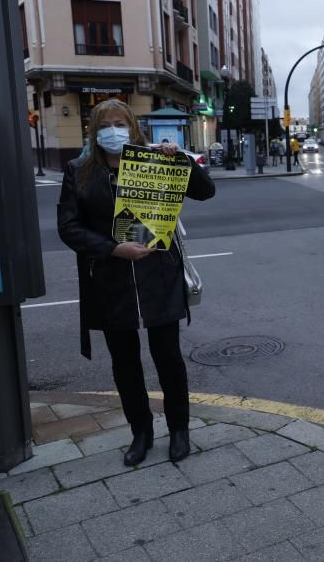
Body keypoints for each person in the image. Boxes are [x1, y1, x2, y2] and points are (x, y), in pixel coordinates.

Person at [57, 99, 216, 467]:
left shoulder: (154, 160)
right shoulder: (79, 170)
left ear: (133, 126)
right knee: (125, 363)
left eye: (120, 123)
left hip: (158, 276)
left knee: (168, 358)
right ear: (95, 131)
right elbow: (69, 227)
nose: (114, 130)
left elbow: (205, 192)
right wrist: (113, 249)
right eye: (106, 124)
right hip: (111, 281)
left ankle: (179, 430)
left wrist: (180, 159)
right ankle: (140, 432)